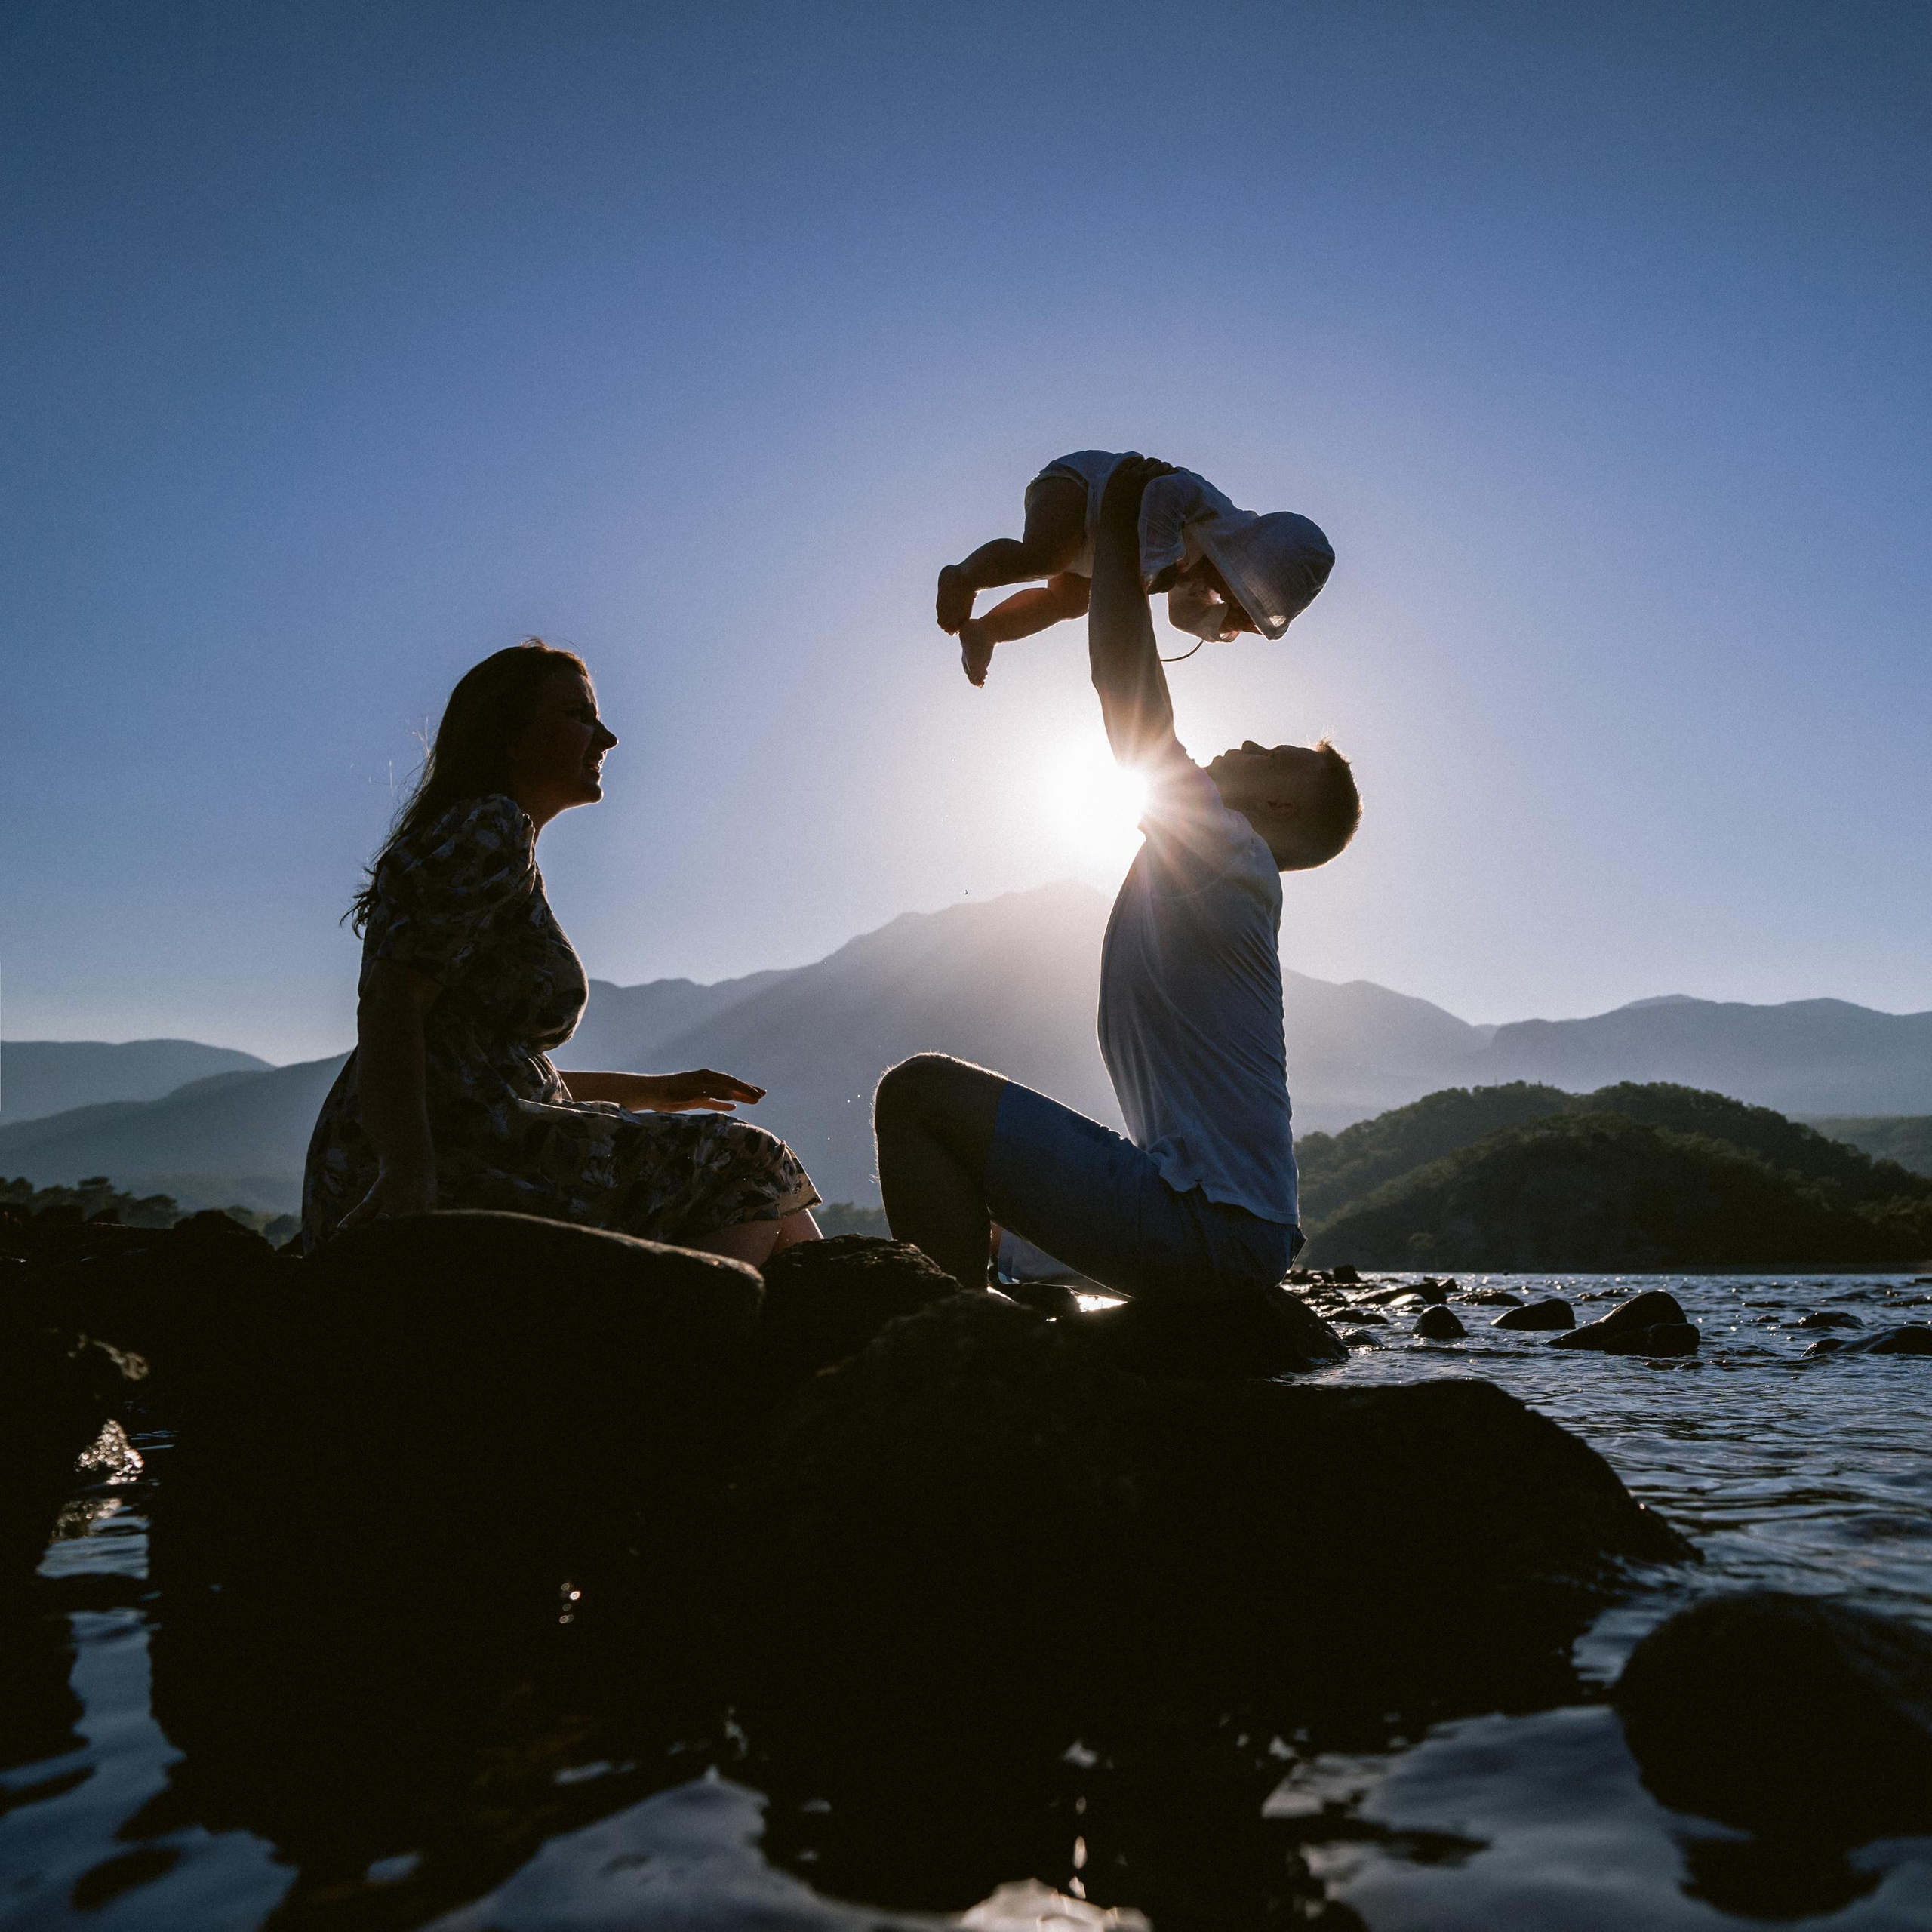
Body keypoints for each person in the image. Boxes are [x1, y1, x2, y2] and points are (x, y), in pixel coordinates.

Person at [878, 458, 1358, 1297]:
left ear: (1281, 800)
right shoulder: (1214, 865)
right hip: (1217, 1220)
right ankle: (982, 1329)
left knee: (917, 1095)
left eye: (1271, 754)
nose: (1247, 745)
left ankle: (943, 1360)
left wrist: (1123, 518)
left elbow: (1126, 697)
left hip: (1210, 1223)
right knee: (998, 1238)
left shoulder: (1228, 851)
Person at [302, 640, 822, 1265]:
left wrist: (656, 1091)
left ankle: (860, 1318)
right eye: (579, 716)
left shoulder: (490, 837)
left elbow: (476, 1072)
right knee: (746, 1161)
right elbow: (390, 1003)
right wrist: (406, 1166)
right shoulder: (488, 826)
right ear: (510, 736)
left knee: (752, 1174)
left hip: (457, 1139)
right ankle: (716, 1347)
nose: (606, 739)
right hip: (446, 1157)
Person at [935, 448, 1334, 687]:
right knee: (1046, 555)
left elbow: (1182, 616)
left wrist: (1219, 620)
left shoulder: (1195, 575)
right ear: (1248, 559)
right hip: (1083, 489)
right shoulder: (1213, 513)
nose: (1224, 593)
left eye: (1238, 601)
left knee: (1069, 603)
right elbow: (1166, 489)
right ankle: (965, 576)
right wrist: (1150, 569)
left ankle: (986, 631)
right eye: (1239, 588)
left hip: (1097, 550)